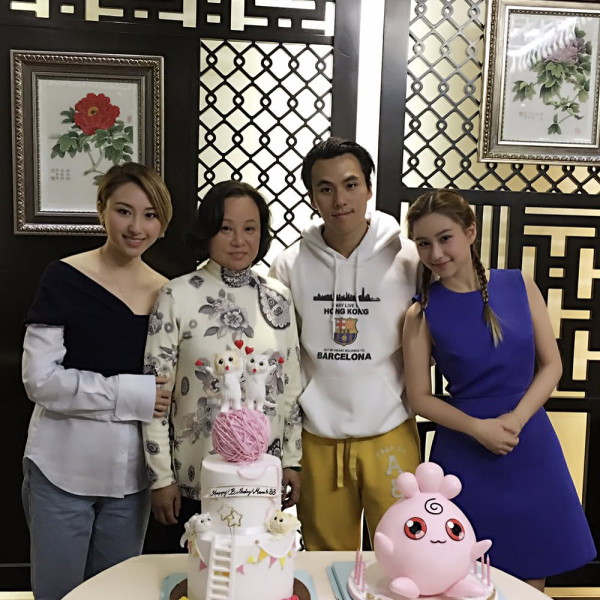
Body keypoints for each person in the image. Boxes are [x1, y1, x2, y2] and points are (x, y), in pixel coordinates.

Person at [402, 188, 596, 591]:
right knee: (460, 572)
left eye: (445, 238)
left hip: (529, 442)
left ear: (470, 232)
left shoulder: (519, 284)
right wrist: (479, 429)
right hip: (464, 450)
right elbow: (418, 398)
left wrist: (514, 421)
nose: (436, 252)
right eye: (423, 243)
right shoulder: (421, 313)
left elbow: (553, 366)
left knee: (532, 563)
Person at [21, 162, 173, 600]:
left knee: (116, 593)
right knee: (58, 594)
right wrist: (132, 393)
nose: (137, 227)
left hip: (132, 478)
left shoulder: (169, 292)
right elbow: (39, 380)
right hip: (60, 468)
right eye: (124, 211)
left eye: (150, 215)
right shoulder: (64, 277)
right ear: (102, 209)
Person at [269, 137, 421, 551]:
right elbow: (280, 355)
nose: (340, 200)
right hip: (317, 434)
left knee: (404, 552)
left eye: (351, 185)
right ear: (312, 196)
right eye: (326, 188)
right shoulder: (289, 264)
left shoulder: (409, 259)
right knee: (324, 559)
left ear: (369, 189)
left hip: (390, 429)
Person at [142, 180, 302, 547]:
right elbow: (154, 392)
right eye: (226, 228)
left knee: (256, 569)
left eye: (250, 229)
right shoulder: (176, 294)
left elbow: (291, 384)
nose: (239, 240)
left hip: (263, 479)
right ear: (208, 231)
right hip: (192, 480)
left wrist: (292, 460)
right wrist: (161, 477)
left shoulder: (278, 297)